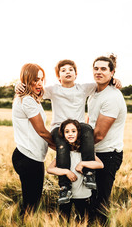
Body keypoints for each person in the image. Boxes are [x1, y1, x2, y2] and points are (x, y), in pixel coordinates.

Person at [15, 59, 121, 205]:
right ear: (58, 76)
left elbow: (102, 82)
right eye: (63, 70)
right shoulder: (52, 89)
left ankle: (89, 172)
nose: (67, 72)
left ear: (76, 74)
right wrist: (20, 85)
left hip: (78, 127)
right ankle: (65, 186)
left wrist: (114, 80)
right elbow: (34, 89)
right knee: (62, 148)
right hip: (59, 128)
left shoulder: (84, 88)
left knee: (88, 129)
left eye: (70, 70)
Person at [87, 54, 127, 225]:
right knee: (90, 197)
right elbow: (91, 120)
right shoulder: (94, 92)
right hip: (95, 152)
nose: (98, 72)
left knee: (101, 200)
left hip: (108, 155)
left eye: (103, 69)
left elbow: (99, 134)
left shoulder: (112, 97)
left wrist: (74, 147)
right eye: (96, 68)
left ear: (112, 73)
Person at [11, 63, 55, 216]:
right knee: (31, 205)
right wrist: (62, 147)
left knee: (31, 202)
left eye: (42, 80)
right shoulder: (28, 101)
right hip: (29, 158)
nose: (39, 84)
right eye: (35, 80)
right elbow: (42, 131)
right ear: (26, 79)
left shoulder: (29, 98)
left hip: (28, 156)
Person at [47, 119, 104, 222]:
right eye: (67, 131)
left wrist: (83, 163)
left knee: (84, 221)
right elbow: (50, 169)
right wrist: (66, 172)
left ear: (78, 133)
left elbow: (100, 165)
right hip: (67, 196)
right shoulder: (63, 154)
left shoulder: (86, 152)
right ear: (63, 134)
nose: (70, 134)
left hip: (84, 195)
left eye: (73, 131)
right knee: (63, 221)